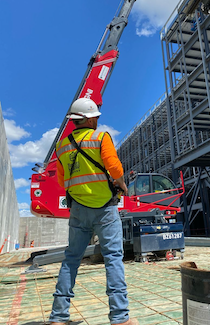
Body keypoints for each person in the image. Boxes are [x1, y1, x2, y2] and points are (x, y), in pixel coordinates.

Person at [49, 98, 138, 325]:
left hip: (78, 209)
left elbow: (62, 180)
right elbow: (115, 168)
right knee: (113, 259)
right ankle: (120, 318)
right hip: (105, 209)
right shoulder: (100, 137)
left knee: (71, 259)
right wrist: (122, 184)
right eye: (96, 116)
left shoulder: (61, 146)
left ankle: (58, 317)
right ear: (88, 118)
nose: (97, 120)